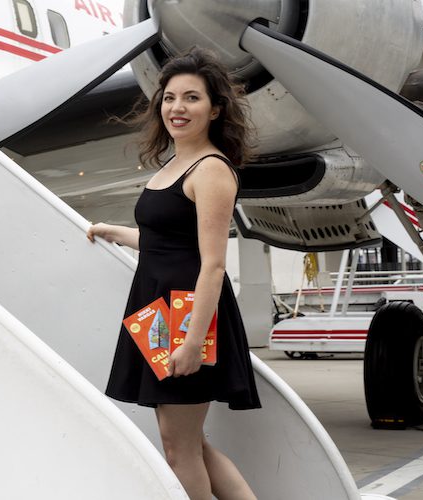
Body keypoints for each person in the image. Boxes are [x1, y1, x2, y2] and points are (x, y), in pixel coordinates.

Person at [87, 47, 261, 500]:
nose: (177, 108)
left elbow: (213, 263)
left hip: (186, 316)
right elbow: (167, 242)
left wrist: (191, 341)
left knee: (178, 448)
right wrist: (116, 232)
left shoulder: (212, 169)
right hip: (158, 313)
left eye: (191, 98)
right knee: (189, 444)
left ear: (215, 109)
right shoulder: (174, 165)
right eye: (169, 98)